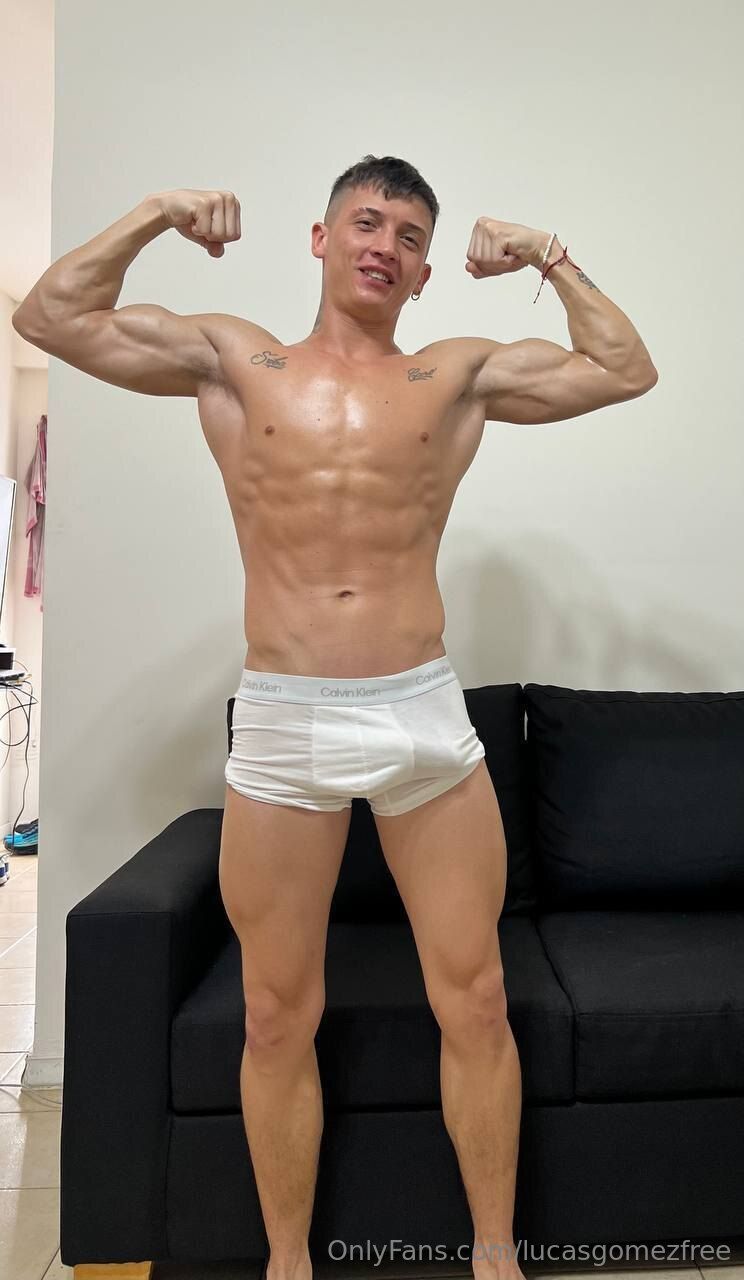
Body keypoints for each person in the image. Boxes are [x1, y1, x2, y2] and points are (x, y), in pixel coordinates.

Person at [13, 154, 657, 1280]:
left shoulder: (452, 375)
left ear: (424, 272)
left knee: (477, 999)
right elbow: (50, 317)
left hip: (421, 715)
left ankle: (495, 1256)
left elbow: (624, 368)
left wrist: (547, 255)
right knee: (274, 1013)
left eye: (409, 237)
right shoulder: (235, 359)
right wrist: (157, 213)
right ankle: (287, 1261)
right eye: (366, 222)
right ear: (321, 238)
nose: (385, 246)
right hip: (283, 718)